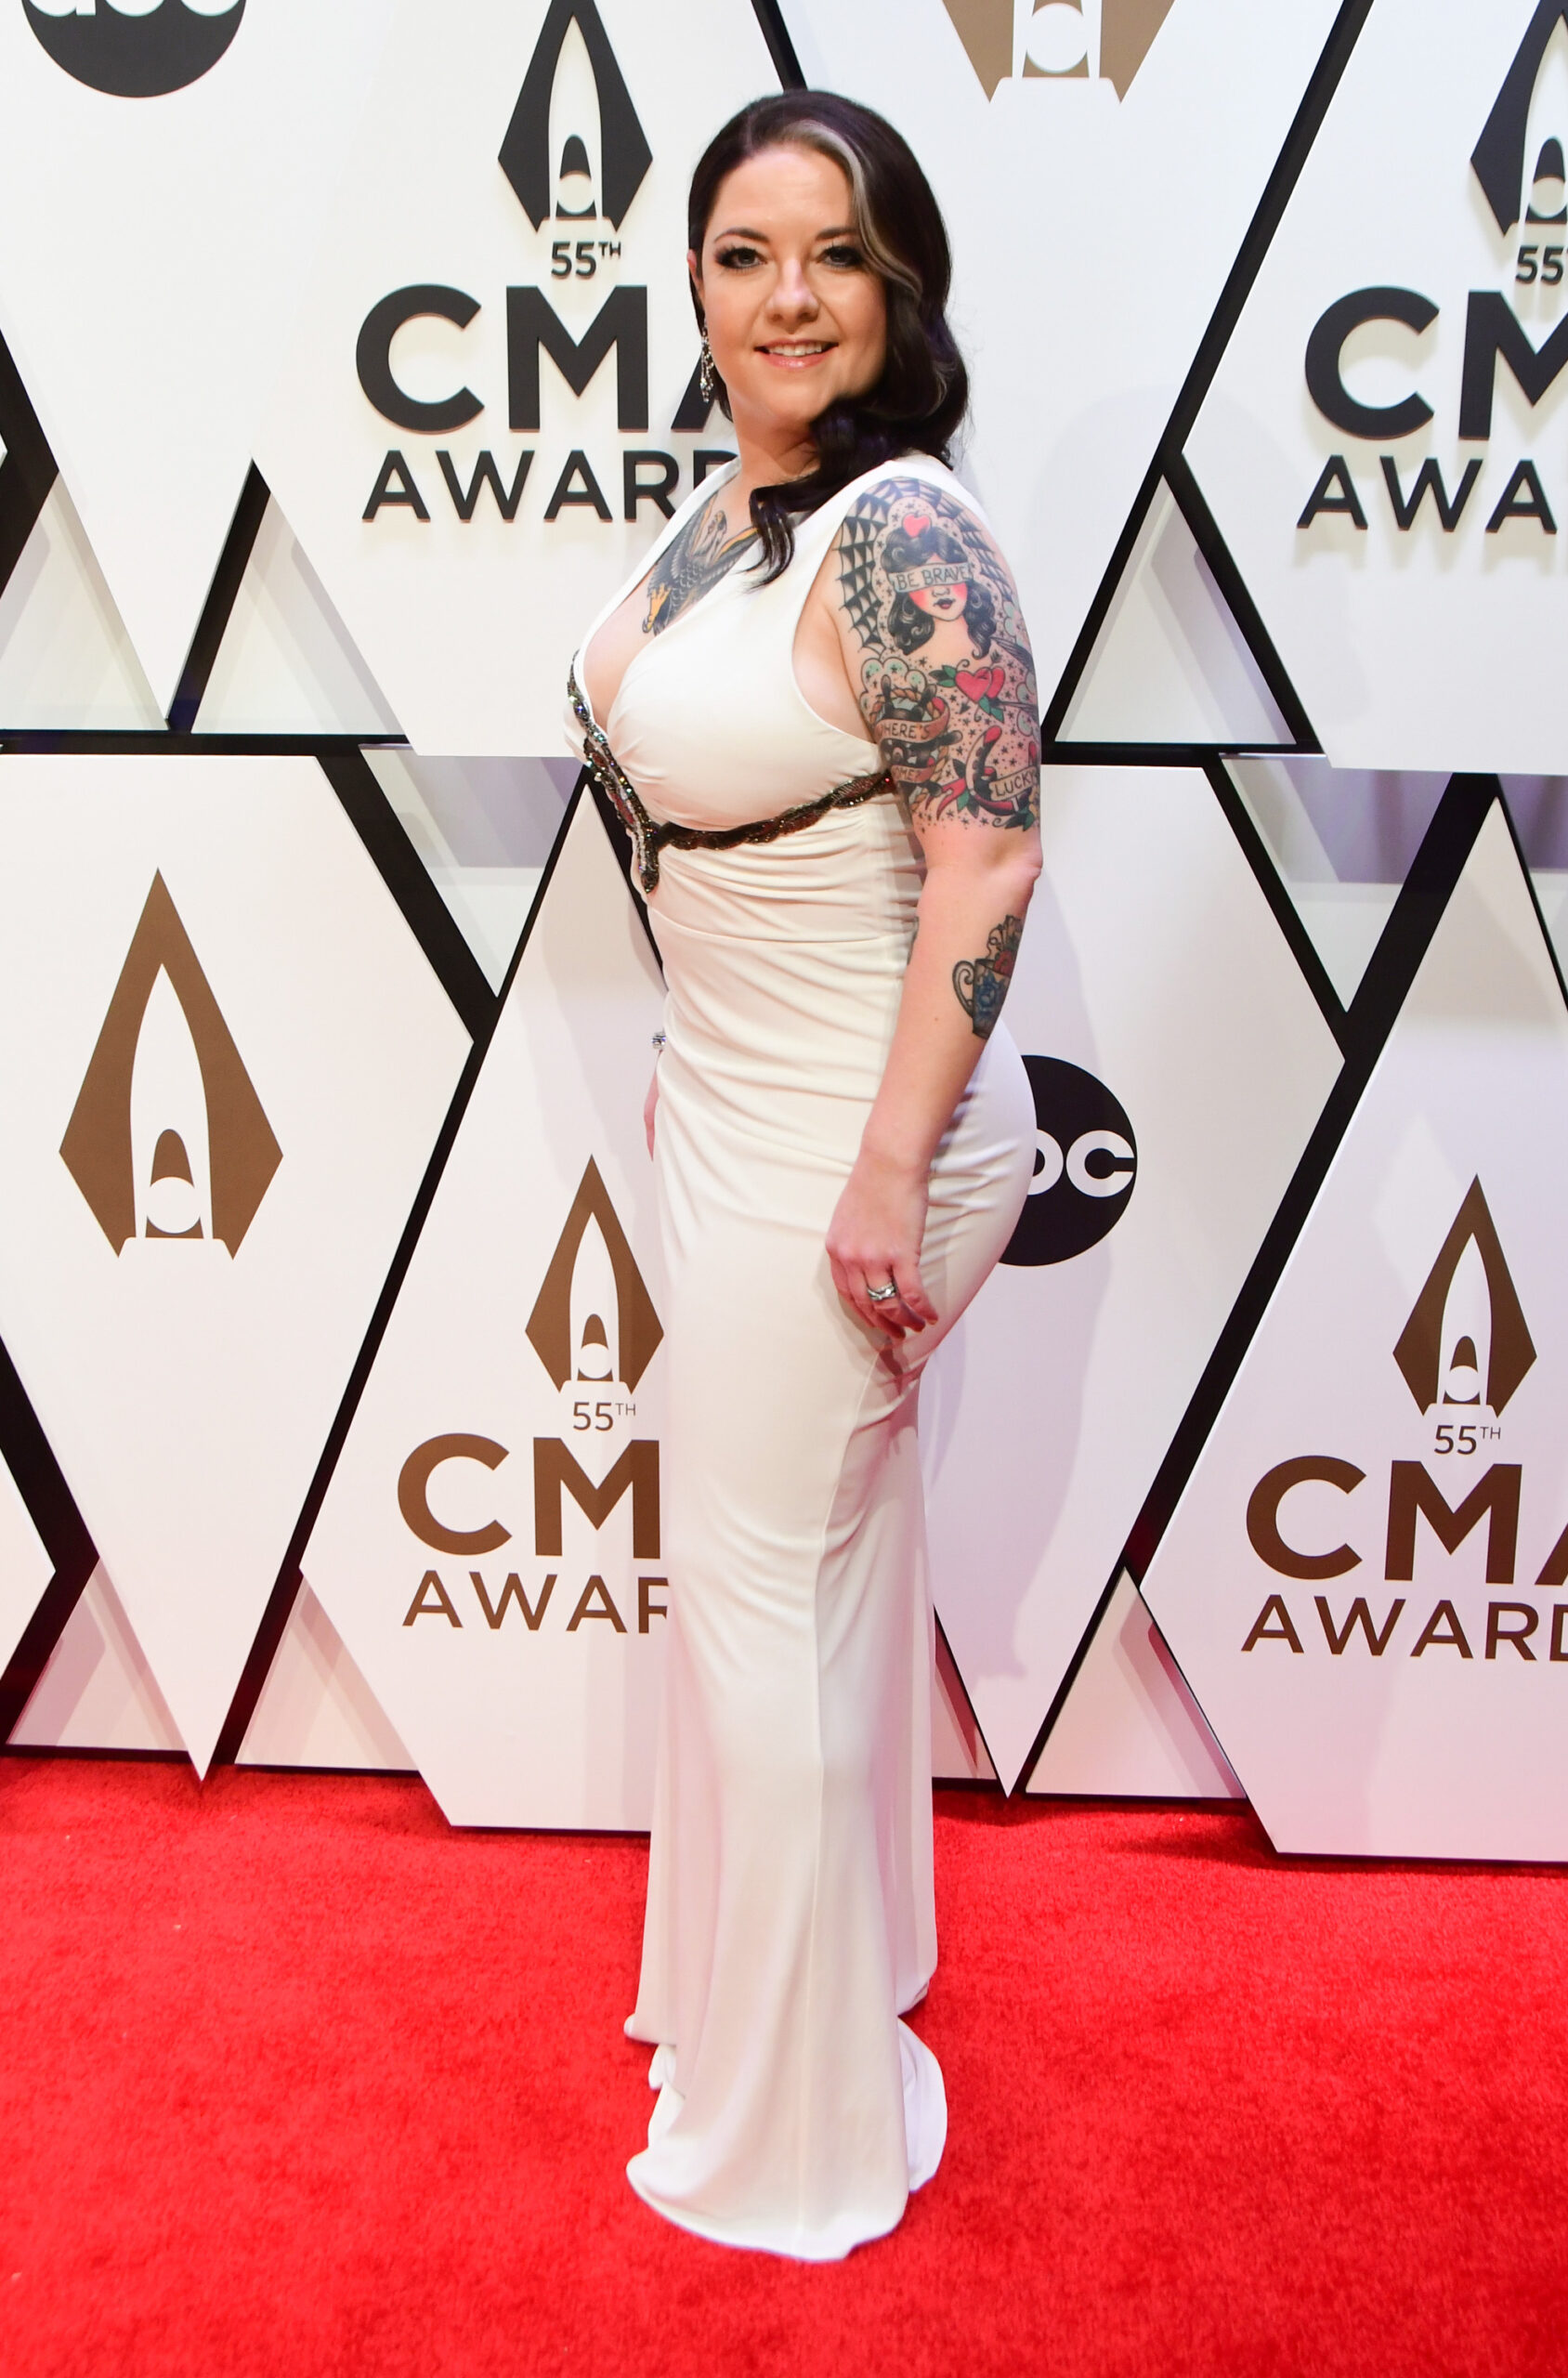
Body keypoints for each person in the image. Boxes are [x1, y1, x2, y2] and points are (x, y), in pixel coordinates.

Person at [567, 90, 1040, 2261]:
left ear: (899, 283)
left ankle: (791, 2132)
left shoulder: (904, 530)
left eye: (834, 253)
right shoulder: (731, 519)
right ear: (690, 279)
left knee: (759, 1601)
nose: (786, 296)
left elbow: (988, 856)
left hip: (860, 1137)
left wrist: (881, 1164)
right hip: (742, 1111)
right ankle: (797, 2005)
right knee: (798, 1593)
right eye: (745, 252)